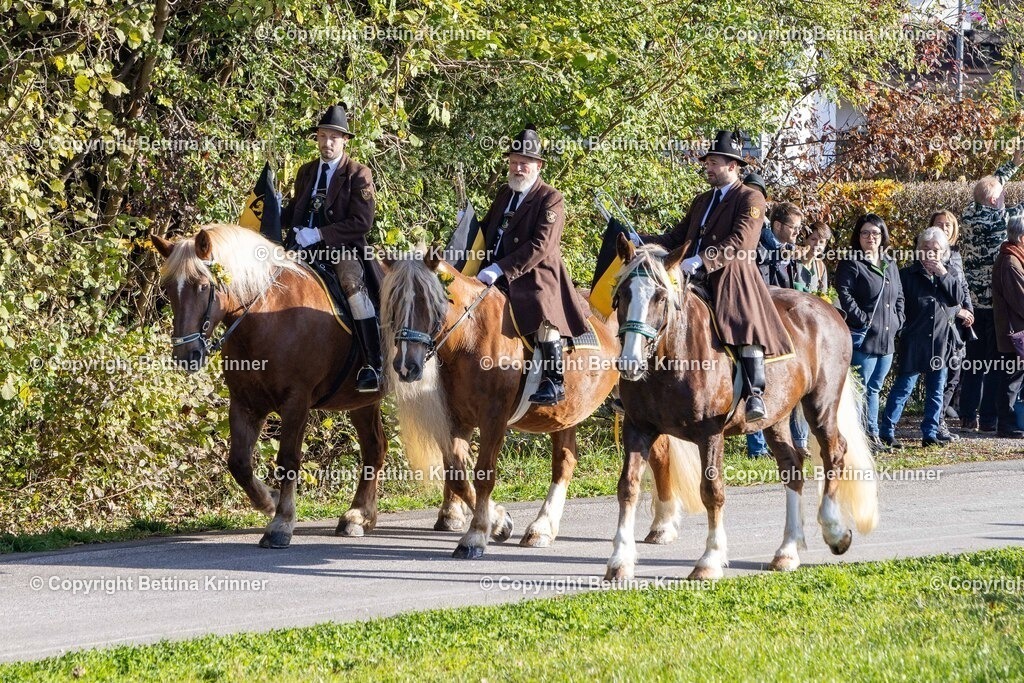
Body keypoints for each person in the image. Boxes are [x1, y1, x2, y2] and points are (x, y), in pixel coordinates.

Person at [635, 130, 792, 422]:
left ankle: (754, 393)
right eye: (707, 162)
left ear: (732, 166)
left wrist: (700, 261)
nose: (707, 167)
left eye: (713, 162)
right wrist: (640, 240)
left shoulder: (751, 198)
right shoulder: (702, 200)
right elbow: (676, 237)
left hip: (733, 276)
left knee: (743, 324)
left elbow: (740, 242)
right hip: (691, 278)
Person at [476, 125, 590, 405]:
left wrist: (500, 268)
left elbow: (541, 246)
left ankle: (554, 381)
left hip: (534, 274)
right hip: (491, 268)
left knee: (542, 315)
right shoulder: (505, 193)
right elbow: (487, 227)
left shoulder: (550, 198)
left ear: (538, 166)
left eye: (523, 164)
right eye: (513, 163)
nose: (517, 168)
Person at [280, 104, 382, 393]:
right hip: (299, 246)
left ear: (344, 141)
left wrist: (320, 234)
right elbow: (294, 213)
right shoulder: (306, 172)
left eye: (333, 138)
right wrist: (272, 208)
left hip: (341, 248)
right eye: (322, 136)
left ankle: (373, 362)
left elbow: (362, 222)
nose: (327, 143)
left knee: (351, 285)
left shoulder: (358, 174)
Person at [878, 228, 965, 448]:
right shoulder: (907, 275)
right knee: (903, 388)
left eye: (935, 249)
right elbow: (898, 303)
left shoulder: (949, 273)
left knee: (936, 391)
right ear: (918, 250)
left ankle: (930, 433)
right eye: (925, 248)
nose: (930, 253)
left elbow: (958, 299)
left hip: (940, 341)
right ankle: (886, 431)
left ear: (943, 252)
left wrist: (943, 274)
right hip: (914, 340)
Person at [958, 149, 1024, 431]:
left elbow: (989, 189)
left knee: (973, 366)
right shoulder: (1003, 219)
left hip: (972, 307)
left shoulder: (968, 214)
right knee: (997, 366)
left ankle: (967, 416)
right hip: (994, 309)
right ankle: (988, 420)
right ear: (996, 201)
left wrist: (1010, 166)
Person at [835, 214, 905, 447]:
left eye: (875, 233)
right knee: (861, 389)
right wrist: (862, 319)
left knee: (875, 388)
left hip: (887, 339)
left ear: (882, 236)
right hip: (863, 339)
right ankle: (860, 437)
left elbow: (899, 296)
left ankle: (871, 433)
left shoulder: (890, 264)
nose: (870, 237)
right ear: (858, 236)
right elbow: (844, 294)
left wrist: (898, 320)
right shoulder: (851, 263)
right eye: (865, 233)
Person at [930, 210, 972, 441]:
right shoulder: (928, 253)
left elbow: (962, 286)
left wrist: (970, 310)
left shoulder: (955, 254)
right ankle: (934, 422)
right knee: (940, 377)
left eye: (948, 225)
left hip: (959, 328)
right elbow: (936, 295)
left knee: (954, 376)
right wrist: (959, 310)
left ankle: (939, 420)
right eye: (940, 224)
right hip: (941, 325)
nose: (945, 228)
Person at [991, 216, 1024, 438]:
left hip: (1015, 331)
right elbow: (1020, 300)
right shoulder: (1011, 262)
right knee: (1012, 379)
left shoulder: (1014, 258)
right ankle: (1007, 424)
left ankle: (1009, 422)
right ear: (1021, 238)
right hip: (1014, 333)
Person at [756, 202, 803, 289]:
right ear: (777, 225)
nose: (797, 232)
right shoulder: (760, 254)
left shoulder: (791, 252)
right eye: (793, 227)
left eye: (799, 227)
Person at [794, 222, 831, 294]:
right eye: (813, 239)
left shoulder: (820, 267)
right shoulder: (792, 262)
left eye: (821, 242)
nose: (817, 244)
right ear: (805, 239)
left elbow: (823, 298)